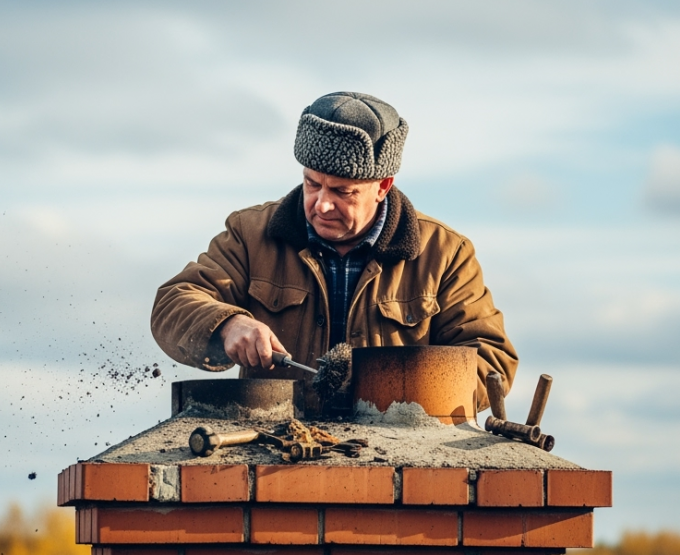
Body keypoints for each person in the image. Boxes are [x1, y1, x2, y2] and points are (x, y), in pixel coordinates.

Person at [151, 91, 518, 417]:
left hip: (398, 462)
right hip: (272, 453)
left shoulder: (445, 253)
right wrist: (228, 324)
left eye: (342, 191)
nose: (322, 204)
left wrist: (397, 390)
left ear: (382, 186)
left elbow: (491, 361)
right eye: (312, 183)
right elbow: (173, 305)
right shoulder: (251, 235)